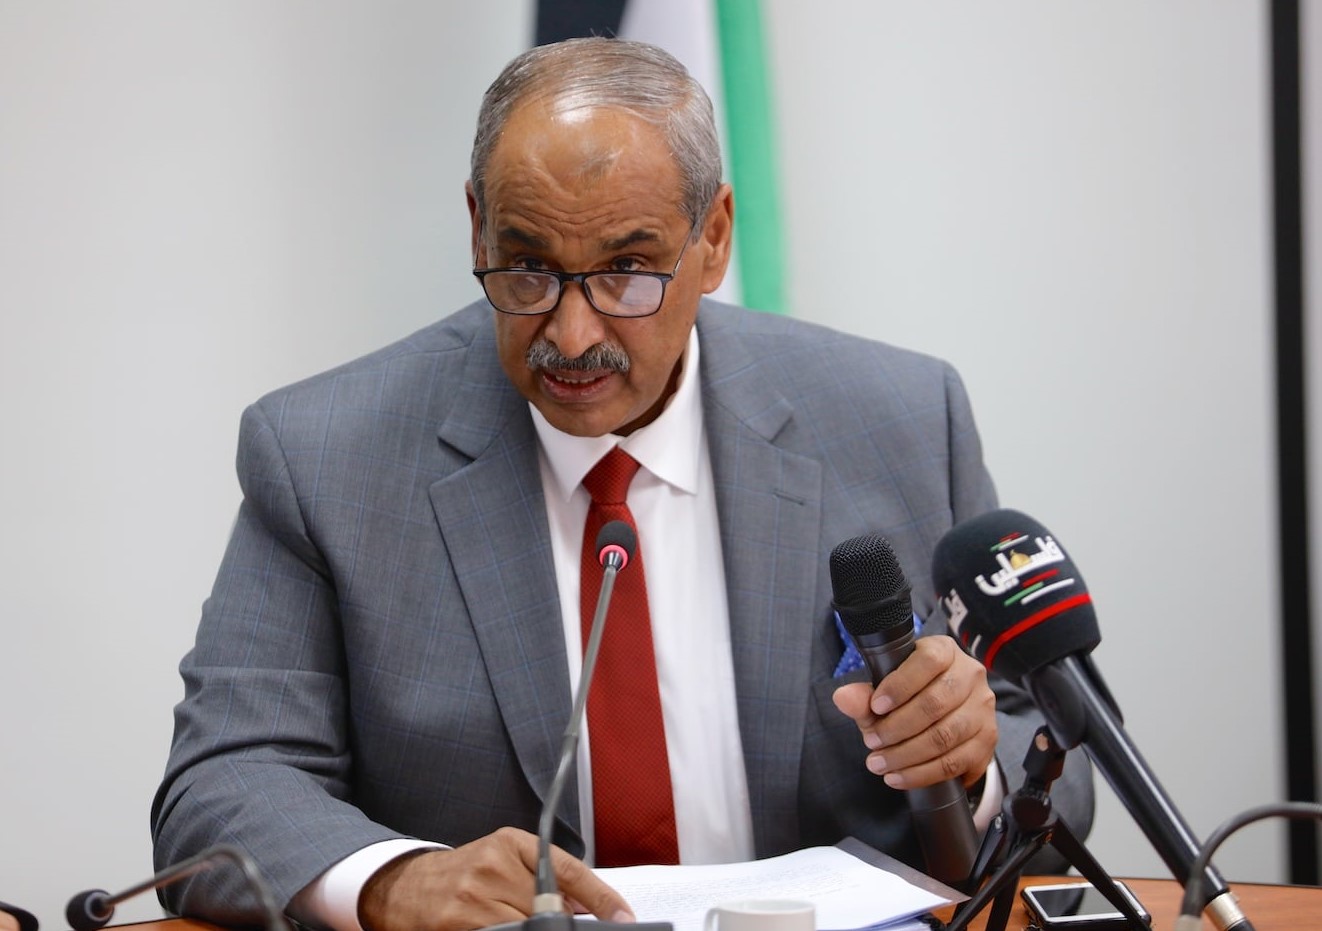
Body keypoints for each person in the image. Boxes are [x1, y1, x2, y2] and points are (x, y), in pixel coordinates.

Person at [151, 36, 1093, 931]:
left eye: (628, 270)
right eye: (528, 267)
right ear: (476, 225)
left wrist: (970, 766)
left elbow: (1061, 754)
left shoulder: (899, 419)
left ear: (713, 238)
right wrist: (395, 880)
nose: (571, 335)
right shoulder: (326, 455)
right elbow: (223, 780)